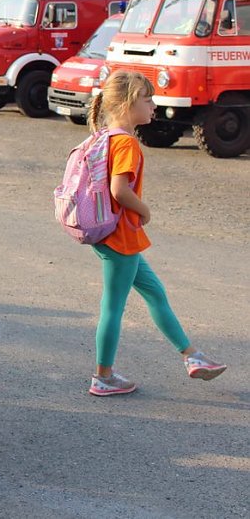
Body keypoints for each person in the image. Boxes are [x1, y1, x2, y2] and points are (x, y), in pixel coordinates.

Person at [86, 71, 226, 397]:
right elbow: (119, 190)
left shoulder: (105, 136)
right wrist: (144, 209)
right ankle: (102, 376)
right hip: (120, 237)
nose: (153, 105)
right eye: (148, 99)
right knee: (113, 307)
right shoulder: (126, 143)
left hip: (111, 234)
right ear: (128, 103)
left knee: (155, 293)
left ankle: (193, 357)